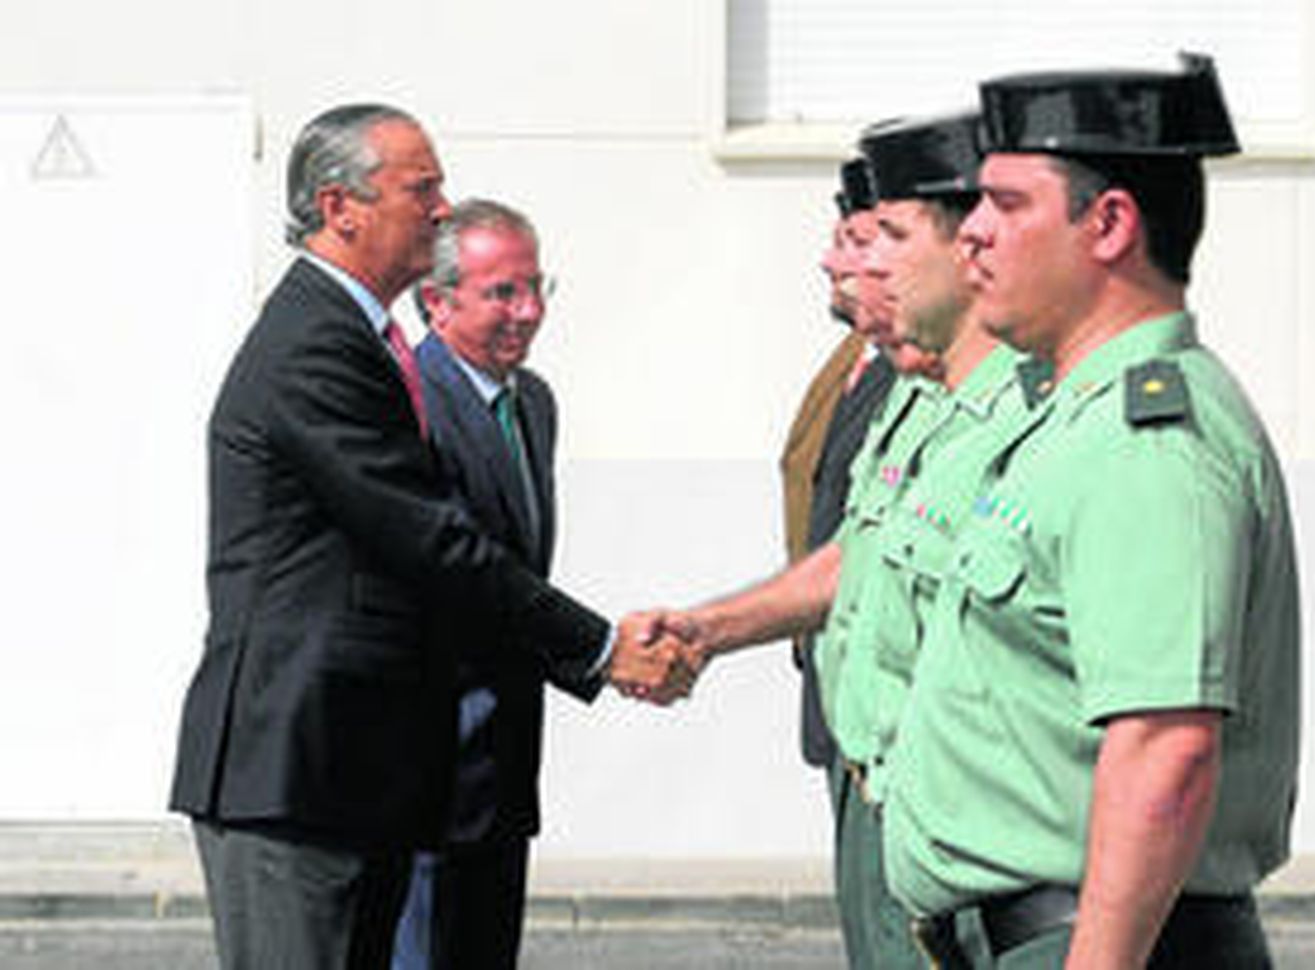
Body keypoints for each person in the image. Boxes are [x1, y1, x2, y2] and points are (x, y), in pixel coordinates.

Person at [168, 104, 688, 970]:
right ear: (340, 208)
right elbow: (432, 541)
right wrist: (602, 649)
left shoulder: (360, 338)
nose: (442, 209)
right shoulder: (315, 345)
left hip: (353, 776)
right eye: (422, 189)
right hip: (294, 771)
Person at [880, 55, 1301, 969]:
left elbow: (1165, 750)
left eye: (1007, 205)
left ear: (1109, 225)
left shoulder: (1145, 443)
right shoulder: (1073, 422)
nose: (972, 233)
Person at [642, 111, 1013, 968]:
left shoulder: (1042, 411)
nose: (861, 263)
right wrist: (708, 629)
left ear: (973, 248)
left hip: (969, 820)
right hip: (882, 780)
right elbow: (860, 554)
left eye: (889, 235)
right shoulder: (925, 394)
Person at [382, 199, 579, 969]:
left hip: (505, 767)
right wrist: (602, 653)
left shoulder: (534, 404)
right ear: (437, 301)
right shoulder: (408, 402)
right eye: (503, 292)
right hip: (429, 770)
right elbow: (460, 572)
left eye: (536, 287)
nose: (528, 311)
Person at [780, 157, 895, 773]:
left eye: (855, 241)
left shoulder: (922, 372)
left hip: (882, 701)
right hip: (835, 671)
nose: (832, 261)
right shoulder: (853, 358)